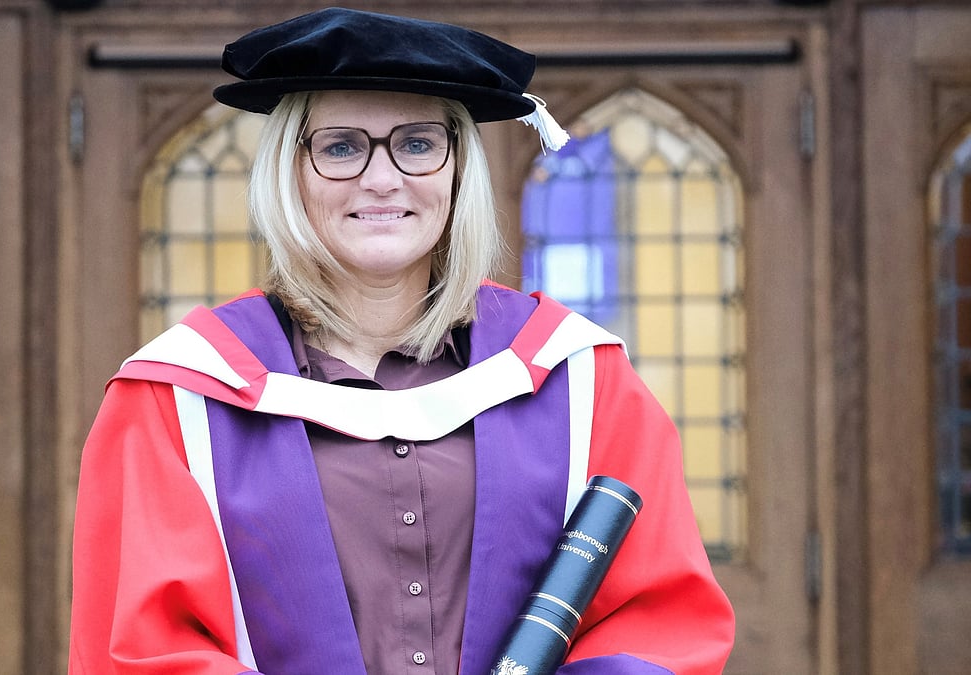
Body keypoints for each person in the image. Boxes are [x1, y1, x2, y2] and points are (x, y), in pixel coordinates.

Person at [68, 7, 735, 675]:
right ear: (290, 171)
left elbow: (658, 625)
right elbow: (143, 648)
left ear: (458, 170)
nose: (383, 178)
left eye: (417, 144)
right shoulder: (177, 398)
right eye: (340, 147)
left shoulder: (578, 378)